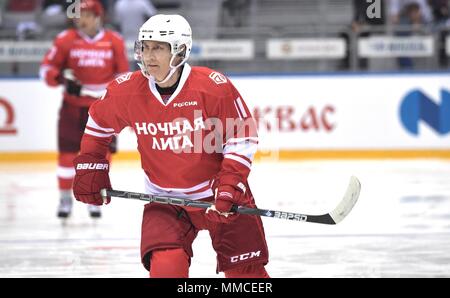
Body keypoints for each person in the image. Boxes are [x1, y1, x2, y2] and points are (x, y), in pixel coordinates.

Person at [71, 14, 270, 277]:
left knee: (246, 276)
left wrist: (230, 186)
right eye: (145, 47)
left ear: (180, 51)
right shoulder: (126, 90)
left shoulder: (212, 87)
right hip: (163, 200)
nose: (148, 55)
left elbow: (241, 136)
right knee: (166, 270)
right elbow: (98, 125)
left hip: (219, 194)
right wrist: (90, 166)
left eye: (159, 48)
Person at [40, 0, 129, 219]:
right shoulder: (65, 40)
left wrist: (117, 101)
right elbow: (46, 70)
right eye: (78, 15)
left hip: (102, 110)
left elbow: (124, 77)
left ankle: (94, 198)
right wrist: (60, 77)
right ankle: (64, 198)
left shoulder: (113, 41)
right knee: (67, 155)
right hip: (73, 108)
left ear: (98, 16)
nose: (81, 19)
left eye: (87, 14)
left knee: (101, 157)